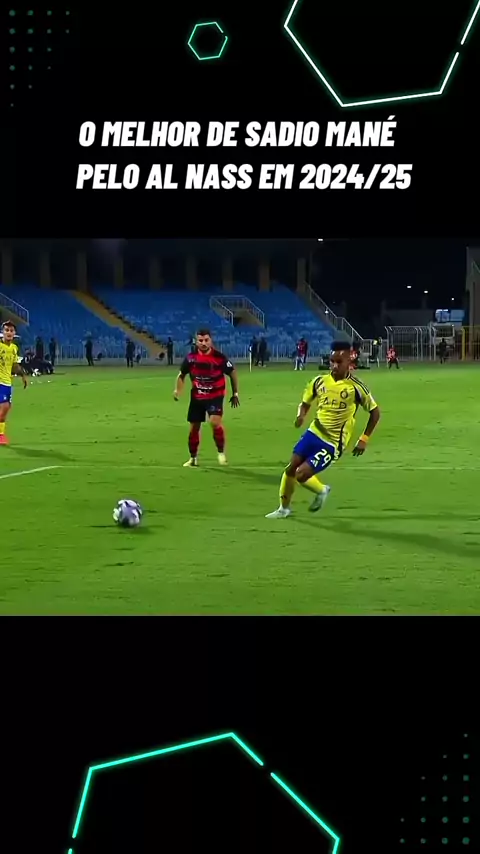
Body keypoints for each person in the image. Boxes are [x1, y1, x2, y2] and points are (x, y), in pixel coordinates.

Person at [265, 341, 380, 519]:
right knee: (290, 468)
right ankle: (283, 509)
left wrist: (364, 439)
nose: (334, 365)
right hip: (314, 432)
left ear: (349, 361)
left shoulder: (356, 387)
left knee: (301, 474)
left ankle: (322, 490)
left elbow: (375, 412)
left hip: (333, 443)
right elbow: (305, 403)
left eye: (339, 362)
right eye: (332, 361)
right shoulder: (319, 381)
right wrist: (301, 415)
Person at [174, 328, 240, 467]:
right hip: (197, 398)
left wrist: (235, 393)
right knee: (194, 428)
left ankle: (221, 452)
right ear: (196, 341)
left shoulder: (219, 358)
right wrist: (178, 390)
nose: (203, 343)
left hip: (215, 396)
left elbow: (232, 372)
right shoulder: (191, 358)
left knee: (215, 423)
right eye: (200, 340)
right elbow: (181, 375)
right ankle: (193, 458)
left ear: (211, 340)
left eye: (206, 340)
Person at [0, 321, 28, 445]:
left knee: (6, 409)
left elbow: (15, 365)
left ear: (14, 333)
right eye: (6, 330)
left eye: (11, 331)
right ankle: (0, 435)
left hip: (7, 382)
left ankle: (1, 434)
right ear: (2, 332)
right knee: (5, 407)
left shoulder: (14, 348)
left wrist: (23, 376)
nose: (9, 333)